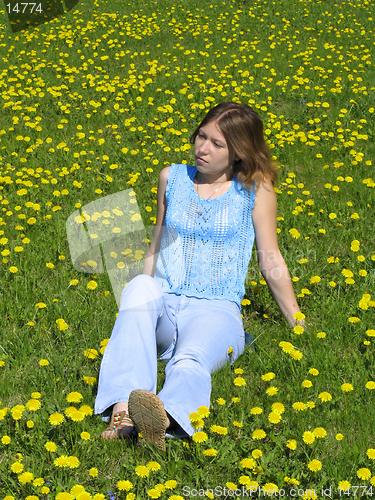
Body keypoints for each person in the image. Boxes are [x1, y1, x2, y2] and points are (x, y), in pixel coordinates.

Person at [94, 101, 304, 451]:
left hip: (216, 310)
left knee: (190, 360)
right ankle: (124, 409)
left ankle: (163, 419)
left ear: (239, 152)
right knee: (139, 286)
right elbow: (156, 245)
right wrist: (140, 308)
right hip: (165, 304)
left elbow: (270, 258)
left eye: (217, 144)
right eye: (201, 137)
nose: (202, 148)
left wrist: (297, 319)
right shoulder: (171, 177)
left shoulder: (256, 190)